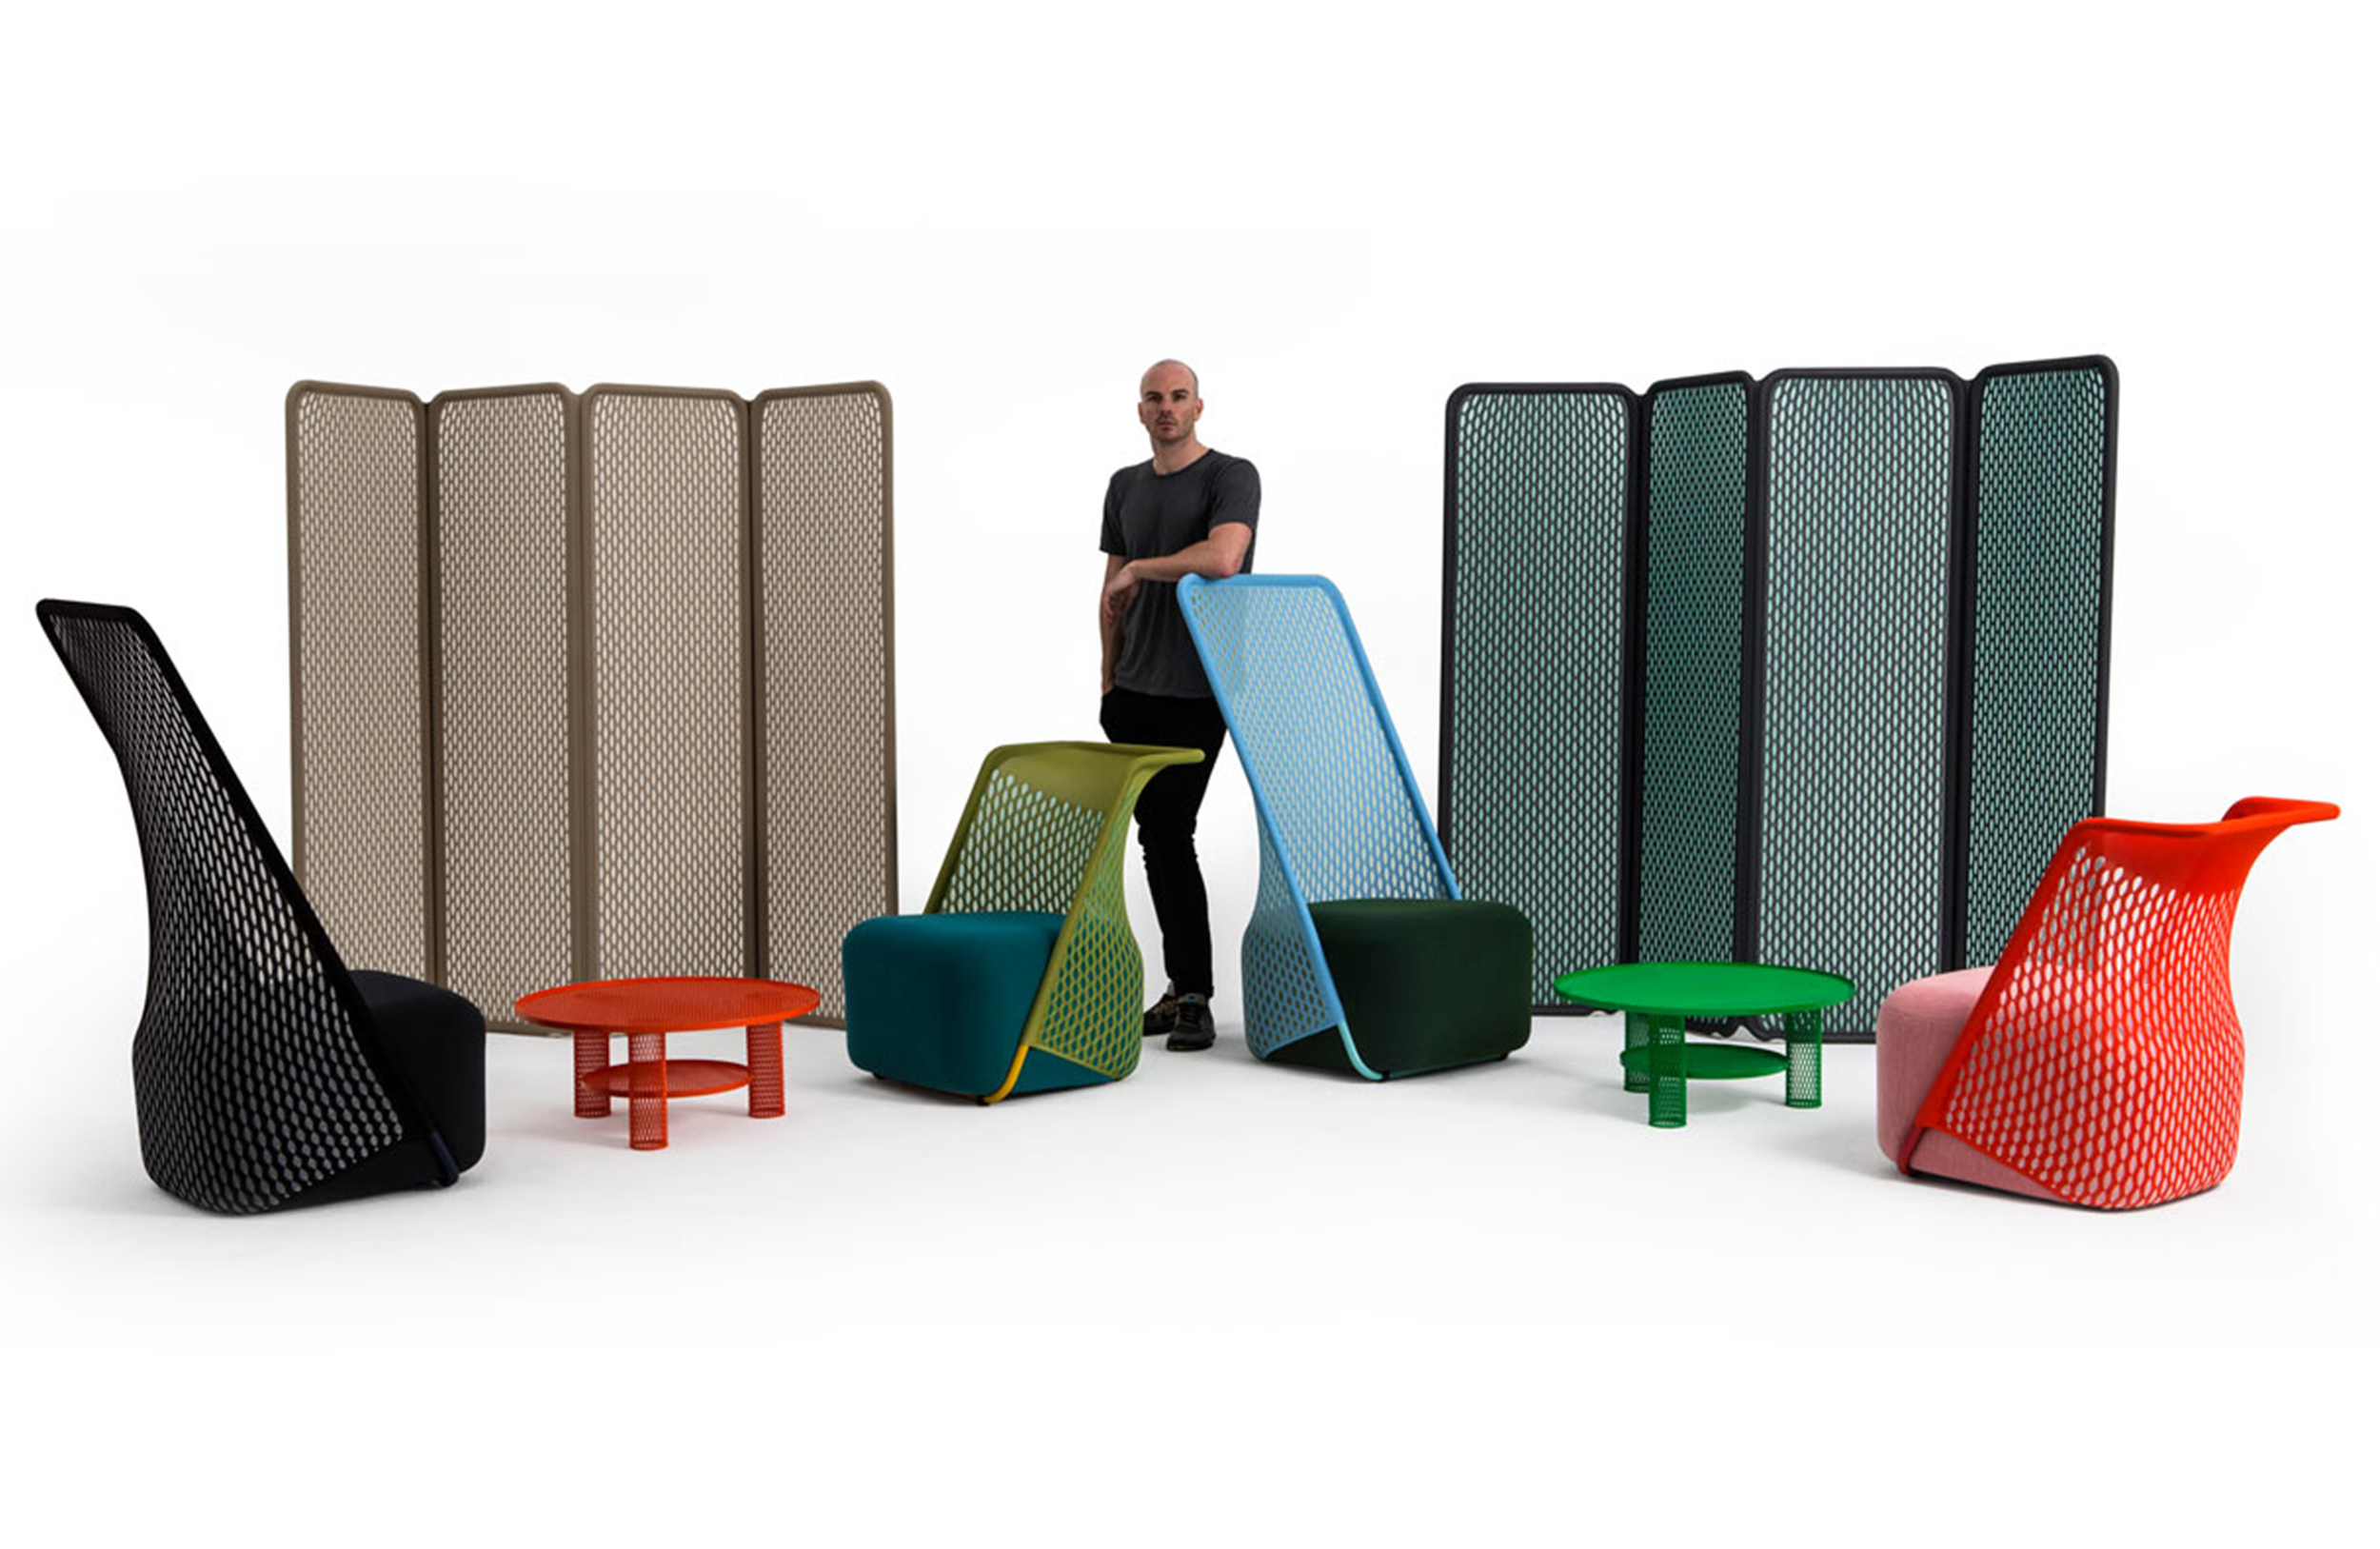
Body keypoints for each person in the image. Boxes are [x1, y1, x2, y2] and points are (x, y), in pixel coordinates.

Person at [1098, 358, 1258, 1052]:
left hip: (1199, 689)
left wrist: (1143, 566)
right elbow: (1110, 591)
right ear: (1141, 411)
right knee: (1155, 838)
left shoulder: (1231, 475)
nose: (1166, 407)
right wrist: (1107, 678)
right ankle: (1180, 991)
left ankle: (1194, 995)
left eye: (1179, 396)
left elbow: (1224, 559)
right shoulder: (1124, 485)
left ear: (1199, 406)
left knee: (1169, 831)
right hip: (1132, 691)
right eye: (1154, 397)